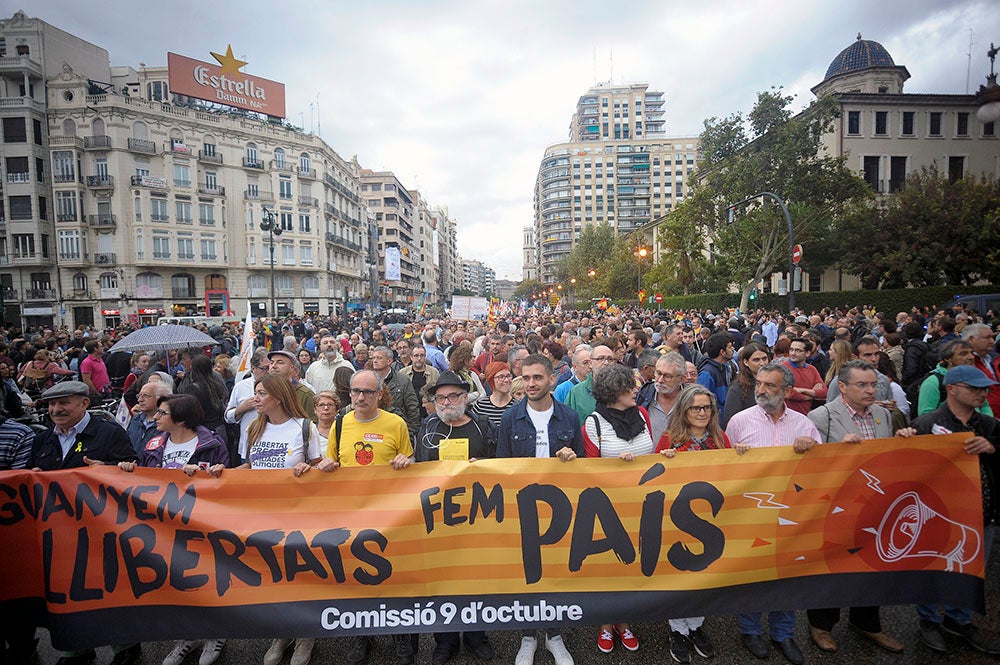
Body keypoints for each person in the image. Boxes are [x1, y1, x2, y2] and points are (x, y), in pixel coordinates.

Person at [310, 369, 416, 665]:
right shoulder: (340, 425)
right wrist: (327, 465)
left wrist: (406, 461)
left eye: (367, 392)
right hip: (352, 515)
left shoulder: (396, 424)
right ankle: (361, 634)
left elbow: (411, 462)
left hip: (390, 515)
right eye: (355, 391)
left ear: (379, 394)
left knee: (392, 576)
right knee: (357, 577)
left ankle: (399, 632)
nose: (359, 397)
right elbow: (331, 461)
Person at [29, 381, 139, 665]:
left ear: (84, 403)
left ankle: (125, 647)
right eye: (52, 404)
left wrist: (108, 472)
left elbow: (135, 476)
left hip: (101, 531)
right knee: (67, 589)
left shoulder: (109, 433)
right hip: (57, 533)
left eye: (63, 402)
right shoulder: (42, 439)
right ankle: (76, 649)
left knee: (110, 588)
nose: (56, 409)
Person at [805, 360, 911, 653]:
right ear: (842, 387)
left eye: (873, 384)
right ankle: (821, 624)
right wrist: (834, 453)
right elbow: (807, 464)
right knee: (832, 568)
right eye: (862, 385)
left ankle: (867, 622)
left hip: (875, 507)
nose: (870, 390)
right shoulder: (821, 416)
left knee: (872, 566)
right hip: (836, 508)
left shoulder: (882, 414)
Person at [117, 393, 230, 665]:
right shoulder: (153, 443)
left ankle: (217, 632)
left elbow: (227, 481)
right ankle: (188, 635)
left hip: (202, 524)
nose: (155, 417)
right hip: (165, 526)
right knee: (178, 580)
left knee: (208, 578)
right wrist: (129, 469)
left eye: (162, 413)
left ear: (180, 418)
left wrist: (209, 473)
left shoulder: (211, 443)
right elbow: (145, 477)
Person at [726, 362, 820, 665]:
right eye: (759, 384)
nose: (762, 390)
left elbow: (823, 470)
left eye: (770, 386)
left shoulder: (804, 425)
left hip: (792, 513)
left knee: (786, 575)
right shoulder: (739, 422)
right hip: (751, 514)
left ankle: (784, 633)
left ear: (788, 391)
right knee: (752, 573)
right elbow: (725, 470)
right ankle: (750, 629)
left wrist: (812, 449)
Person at [497, 353, 583, 665]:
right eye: (527, 378)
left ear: (551, 379)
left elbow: (584, 466)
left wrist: (572, 458)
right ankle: (528, 636)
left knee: (557, 571)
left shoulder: (570, 417)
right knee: (528, 573)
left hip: (561, 508)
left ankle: (555, 636)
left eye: (538, 378)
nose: (531, 384)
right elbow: (503, 466)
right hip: (524, 508)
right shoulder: (511, 418)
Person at [911, 365, 1000, 655]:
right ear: (951, 389)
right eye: (974, 388)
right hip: (938, 513)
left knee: (971, 570)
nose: (982, 393)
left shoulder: (989, 426)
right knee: (931, 566)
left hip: (982, 514)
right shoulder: (926, 424)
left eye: (985, 388)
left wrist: (992, 448)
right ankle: (929, 620)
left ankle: (959, 620)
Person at [235, 374, 322, 665]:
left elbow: (319, 470)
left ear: (278, 397)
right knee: (274, 576)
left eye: (261, 393)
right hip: (263, 515)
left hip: (298, 516)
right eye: (256, 393)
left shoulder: (304, 428)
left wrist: (309, 471)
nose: (255, 399)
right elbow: (250, 465)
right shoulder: (254, 428)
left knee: (299, 574)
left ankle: (305, 636)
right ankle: (282, 633)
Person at [412, 372, 496, 664]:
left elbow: (503, 466)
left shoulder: (482, 426)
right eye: (440, 398)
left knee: (474, 580)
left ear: (464, 397)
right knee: (441, 582)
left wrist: (482, 466)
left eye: (453, 396)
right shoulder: (427, 427)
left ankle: (476, 636)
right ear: (434, 402)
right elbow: (419, 469)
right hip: (439, 519)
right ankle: (444, 640)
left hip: (478, 518)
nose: (447, 402)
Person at [580, 363, 650, 655]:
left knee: (633, 567)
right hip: (608, 509)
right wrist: (615, 468)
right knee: (609, 569)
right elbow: (590, 471)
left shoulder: (643, 415)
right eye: (627, 386)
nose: (635, 389)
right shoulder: (593, 424)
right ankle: (606, 624)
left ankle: (625, 621)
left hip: (643, 504)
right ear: (612, 392)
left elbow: (654, 456)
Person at [658, 384, 727, 662]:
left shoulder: (722, 439)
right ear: (684, 411)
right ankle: (677, 629)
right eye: (695, 407)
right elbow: (654, 477)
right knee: (678, 575)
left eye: (706, 408)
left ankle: (696, 626)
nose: (701, 413)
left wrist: (743, 456)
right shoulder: (668, 439)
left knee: (703, 575)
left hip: (710, 520)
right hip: (677, 519)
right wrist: (664, 460)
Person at [917, 339, 991, 416]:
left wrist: (988, 424)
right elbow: (925, 415)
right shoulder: (933, 382)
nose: (971, 357)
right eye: (963, 354)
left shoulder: (974, 377)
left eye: (972, 353)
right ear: (948, 359)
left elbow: (984, 405)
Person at [224, 349, 271, 464]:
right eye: (264, 368)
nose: (268, 371)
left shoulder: (278, 385)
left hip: (273, 446)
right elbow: (227, 417)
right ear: (253, 368)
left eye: (270, 367)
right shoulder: (241, 387)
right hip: (248, 446)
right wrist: (241, 408)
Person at [723, 342, 770, 429]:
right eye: (756, 360)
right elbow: (730, 420)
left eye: (764, 359)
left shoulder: (774, 383)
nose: (762, 363)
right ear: (746, 362)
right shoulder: (737, 388)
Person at [566, 345, 615, 424]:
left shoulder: (623, 390)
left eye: (610, 359)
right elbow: (567, 422)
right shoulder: (576, 392)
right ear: (591, 363)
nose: (606, 363)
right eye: (600, 358)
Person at [782, 337, 828, 415]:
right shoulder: (783, 369)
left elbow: (824, 392)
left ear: (807, 353)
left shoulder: (812, 369)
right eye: (791, 350)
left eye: (798, 351)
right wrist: (812, 395)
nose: (793, 353)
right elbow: (788, 393)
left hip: (807, 415)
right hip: (788, 415)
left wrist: (802, 390)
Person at [268, 350, 316, 422]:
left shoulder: (305, 394)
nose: (274, 366)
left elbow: (312, 423)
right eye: (271, 362)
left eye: (280, 362)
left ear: (292, 368)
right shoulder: (265, 390)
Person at [127, 380, 172, 454]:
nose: (140, 400)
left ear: (161, 398)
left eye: (146, 396)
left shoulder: (168, 424)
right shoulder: (136, 420)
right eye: (139, 396)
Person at [472, 361, 519, 428]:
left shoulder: (518, 405)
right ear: (491, 379)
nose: (506, 380)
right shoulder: (480, 405)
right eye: (501, 377)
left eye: (508, 376)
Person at [401, 344, 440, 419]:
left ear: (425, 357)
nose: (419, 358)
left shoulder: (434, 372)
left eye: (422, 355)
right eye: (416, 356)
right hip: (410, 414)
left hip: (428, 414)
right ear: (411, 357)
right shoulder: (403, 373)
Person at [696, 333, 735, 406]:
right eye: (730, 347)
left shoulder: (726, 368)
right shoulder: (707, 374)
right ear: (722, 352)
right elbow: (701, 401)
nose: (733, 349)